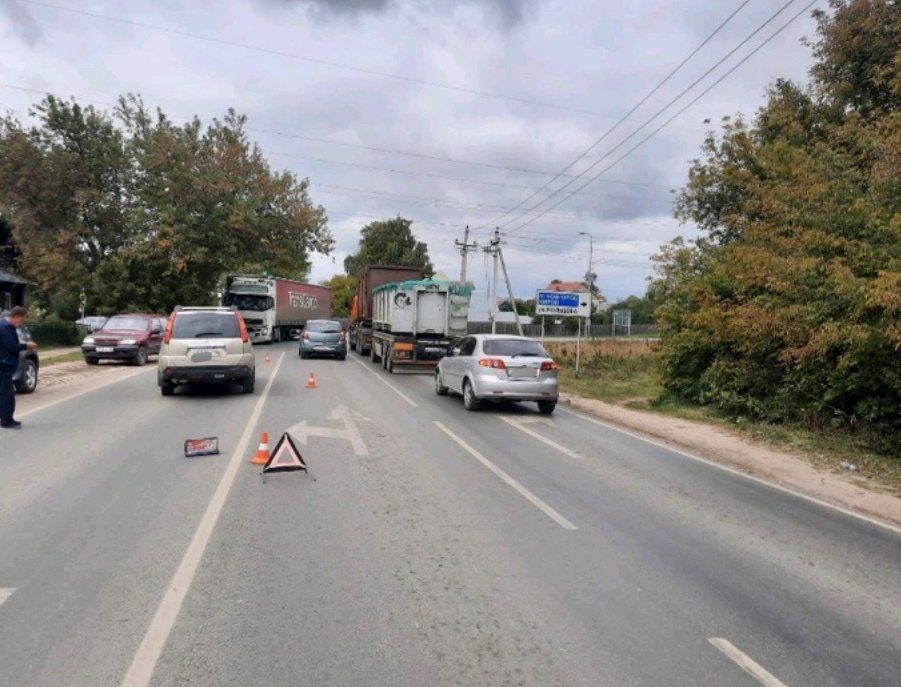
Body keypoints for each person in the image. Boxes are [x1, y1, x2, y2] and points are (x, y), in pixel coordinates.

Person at [0, 306, 38, 430]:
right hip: (4, 365)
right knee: (7, 394)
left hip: (5, 364)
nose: (22, 324)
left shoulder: (6, 326)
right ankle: (7, 421)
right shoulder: (5, 328)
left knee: (4, 393)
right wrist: (26, 345)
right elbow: (11, 346)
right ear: (16, 317)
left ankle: (6, 418)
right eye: (22, 321)